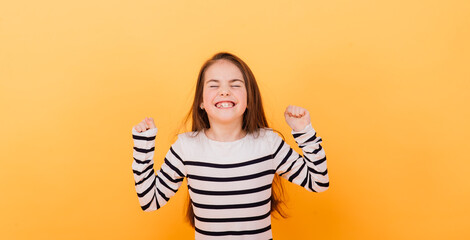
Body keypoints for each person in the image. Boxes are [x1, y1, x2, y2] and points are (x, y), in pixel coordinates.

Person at [131, 52, 329, 239]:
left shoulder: (268, 144)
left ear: (249, 99)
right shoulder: (186, 147)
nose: (224, 91)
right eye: (213, 85)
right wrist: (144, 146)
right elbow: (150, 201)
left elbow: (319, 182)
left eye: (235, 85)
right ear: (201, 101)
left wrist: (304, 131)